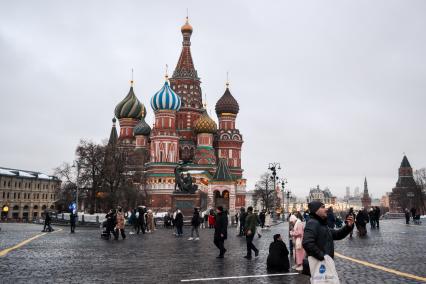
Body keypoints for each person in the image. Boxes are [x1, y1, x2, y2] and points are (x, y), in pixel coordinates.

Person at [302, 201, 354, 274]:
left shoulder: (321, 224)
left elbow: (337, 234)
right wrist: (323, 257)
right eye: (322, 207)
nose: (326, 209)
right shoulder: (312, 223)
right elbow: (307, 243)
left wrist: (348, 227)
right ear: (315, 210)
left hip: (323, 265)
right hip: (320, 265)